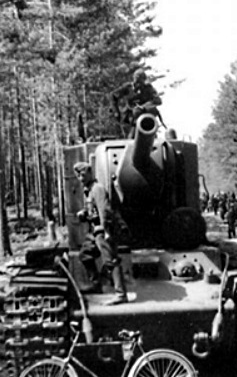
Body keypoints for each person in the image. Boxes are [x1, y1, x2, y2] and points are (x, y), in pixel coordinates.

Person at [74, 162, 128, 305]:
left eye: (83, 175)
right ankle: (96, 284)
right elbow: (93, 210)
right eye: (78, 176)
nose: (81, 178)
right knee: (85, 255)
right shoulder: (89, 190)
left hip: (102, 230)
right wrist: (84, 213)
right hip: (94, 230)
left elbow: (105, 210)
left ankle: (121, 294)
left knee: (110, 260)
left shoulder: (97, 189)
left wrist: (106, 231)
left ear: (90, 173)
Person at [111, 69, 166, 137]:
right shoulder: (128, 87)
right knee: (131, 134)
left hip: (145, 116)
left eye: (140, 82)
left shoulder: (148, 88)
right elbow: (113, 95)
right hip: (131, 117)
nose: (138, 84)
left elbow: (158, 100)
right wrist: (116, 112)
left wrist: (144, 106)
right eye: (136, 82)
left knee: (149, 133)